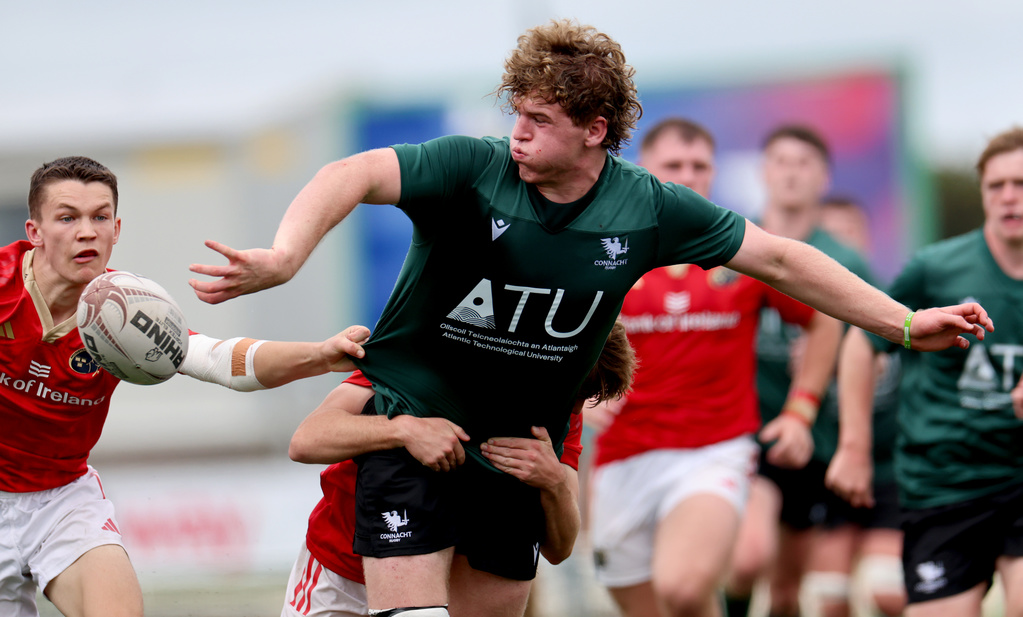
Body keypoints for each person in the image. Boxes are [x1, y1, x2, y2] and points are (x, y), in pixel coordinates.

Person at [188, 20, 991, 617]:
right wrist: (286, 254)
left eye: (537, 120)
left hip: (520, 447)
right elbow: (353, 172)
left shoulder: (645, 208)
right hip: (412, 421)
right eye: (516, 113)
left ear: (595, 129)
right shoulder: (472, 168)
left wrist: (901, 323)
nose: (518, 132)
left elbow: (780, 258)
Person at [0, 156, 370, 617]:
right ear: (35, 231)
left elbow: (219, 360)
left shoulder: (125, 309)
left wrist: (318, 355)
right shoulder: (3, 286)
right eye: (67, 217)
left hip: (60, 501)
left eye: (99, 217)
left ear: (116, 230)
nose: (86, 231)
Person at [584, 117, 842, 617]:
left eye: (699, 165)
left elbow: (823, 321)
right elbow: (553, 331)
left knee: (683, 588)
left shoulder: (740, 249)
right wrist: (577, 396)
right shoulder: (607, 250)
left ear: (714, 174)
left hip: (714, 451)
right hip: (623, 455)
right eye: (673, 165)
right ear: (645, 172)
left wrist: (802, 408)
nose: (688, 175)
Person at [281, 320, 636, 617]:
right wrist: (403, 430)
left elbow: (560, 548)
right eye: (570, 396)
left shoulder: (560, 417)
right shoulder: (432, 352)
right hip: (342, 567)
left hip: (451, 586)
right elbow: (306, 440)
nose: (572, 411)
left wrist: (554, 482)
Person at [829, 127, 1023, 617]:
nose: (1008, 197)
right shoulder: (938, 269)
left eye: (1020, 184)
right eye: (995, 185)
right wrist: (853, 446)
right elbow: (861, 340)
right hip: (945, 483)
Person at [723, 126, 885, 617]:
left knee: (790, 591)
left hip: (817, 439)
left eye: (803, 163)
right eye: (780, 161)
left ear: (824, 177)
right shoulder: (730, 248)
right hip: (748, 432)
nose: (791, 173)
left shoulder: (848, 262)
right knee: (748, 559)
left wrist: (828, 362)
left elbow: (874, 352)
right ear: (763, 172)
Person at [816, 196, 906, 617]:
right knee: (828, 597)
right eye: (828, 237)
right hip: (824, 471)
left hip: (889, 470)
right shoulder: (796, 318)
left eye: (847, 234)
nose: (839, 249)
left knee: (887, 591)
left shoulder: (898, 312)